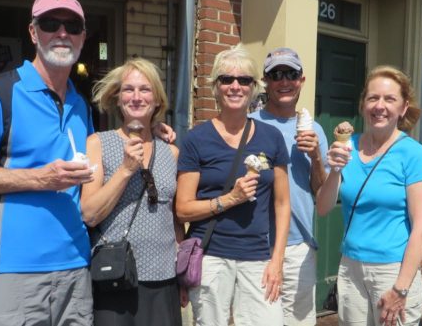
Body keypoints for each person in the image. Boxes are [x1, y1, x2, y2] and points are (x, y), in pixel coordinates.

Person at [0, 0, 95, 325]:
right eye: (49, 23)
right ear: (33, 32)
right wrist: (41, 178)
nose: (61, 33)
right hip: (14, 268)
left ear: (83, 37)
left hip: (75, 267)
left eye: (72, 25)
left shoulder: (80, 104)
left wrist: (152, 129)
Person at [176, 45, 291, 326]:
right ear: (215, 87)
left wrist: (277, 261)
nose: (235, 86)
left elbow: (282, 203)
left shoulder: (271, 137)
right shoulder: (196, 139)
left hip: (257, 256)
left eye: (244, 80)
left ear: (254, 88)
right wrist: (230, 198)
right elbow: (182, 209)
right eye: (226, 79)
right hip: (211, 257)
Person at [316, 65, 422, 326]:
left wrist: (400, 289)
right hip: (350, 267)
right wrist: (334, 170)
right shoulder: (348, 147)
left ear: (403, 108)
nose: (380, 106)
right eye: (373, 98)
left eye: (390, 99)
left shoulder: (412, 153)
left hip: (392, 270)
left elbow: (421, 227)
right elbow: (323, 208)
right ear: (363, 105)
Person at [80, 58, 185, 325]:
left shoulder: (171, 152)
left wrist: (183, 274)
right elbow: (89, 213)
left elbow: (174, 219)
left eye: (145, 89)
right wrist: (125, 170)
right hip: (115, 277)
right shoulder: (98, 144)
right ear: (117, 99)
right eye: (128, 89)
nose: (136, 97)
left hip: (163, 280)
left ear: (157, 100)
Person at [250, 47, 329, 325]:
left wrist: (316, 157)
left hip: (299, 246)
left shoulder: (315, 130)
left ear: (302, 80)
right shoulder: (250, 125)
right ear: (266, 81)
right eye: (276, 74)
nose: (284, 82)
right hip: (256, 245)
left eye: (291, 74)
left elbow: (321, 192)